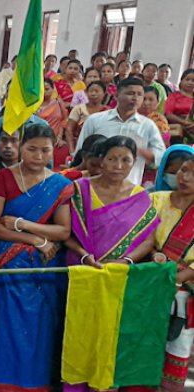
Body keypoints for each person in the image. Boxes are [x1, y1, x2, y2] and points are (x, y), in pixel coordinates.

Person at [0, 124, 73, 391]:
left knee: (38, 328)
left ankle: (35, 384)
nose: (39, 156)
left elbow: (63, 230)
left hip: (44, 270)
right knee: (5, 326)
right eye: (32, 149)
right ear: (21, 147)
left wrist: (22, 223)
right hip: (8, 266)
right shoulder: (3, 178)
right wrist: (35, 240)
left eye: (45, 150)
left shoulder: (59, 184)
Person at [64, 135, 158, 277]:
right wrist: (84, 255)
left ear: (134, 162)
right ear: (102, 160)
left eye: (126, 160)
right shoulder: (79, 189)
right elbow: (65, 232)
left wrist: (126, 261)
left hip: (118, 274)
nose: (118, 166)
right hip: (79, 268)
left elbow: (148, 239)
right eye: (111, 159)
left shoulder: (139, 197)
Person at [150, 155, 194, 392]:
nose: (185, 177)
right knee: (143, 351)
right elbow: (140, 238)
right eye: (183, 170)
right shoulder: (155, 200)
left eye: (193, 174)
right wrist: (153, 256)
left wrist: (181, 276)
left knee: (176, 352)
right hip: (148, 285)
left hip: (182, 296)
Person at [76, 78, 165, 186]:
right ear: (117, 95)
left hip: (129, 187)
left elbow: (161, 158)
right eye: (130, 93)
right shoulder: (95, 120)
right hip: (94, 186)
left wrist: (137, 151)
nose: (135, 98)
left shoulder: (148, 126)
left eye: (140, 94)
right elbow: (81, 152)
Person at [65, 81, 108, 149]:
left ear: (104, 94)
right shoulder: (79, 108)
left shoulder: (108, 111)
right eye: (91, 91)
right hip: (80, 146)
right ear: (86, 93)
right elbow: (69, 130)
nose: (93, 93)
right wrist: (72, 150)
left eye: (97, 91)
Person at [38, 79, 70, 169]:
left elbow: (63, 121)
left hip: (55, 140)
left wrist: (59, 137)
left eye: (47, 89)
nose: (44, 92)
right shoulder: (33, 105)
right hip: (37, 138)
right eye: (42, 89)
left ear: (53, 90)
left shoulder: (58, 104)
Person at [164, 68, 194, 142]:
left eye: (193, 81)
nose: (190, 83)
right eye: (187, 79)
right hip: (175, 131)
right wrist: (185, 122)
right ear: (181, 81)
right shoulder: (174, 96)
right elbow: (168, 114)